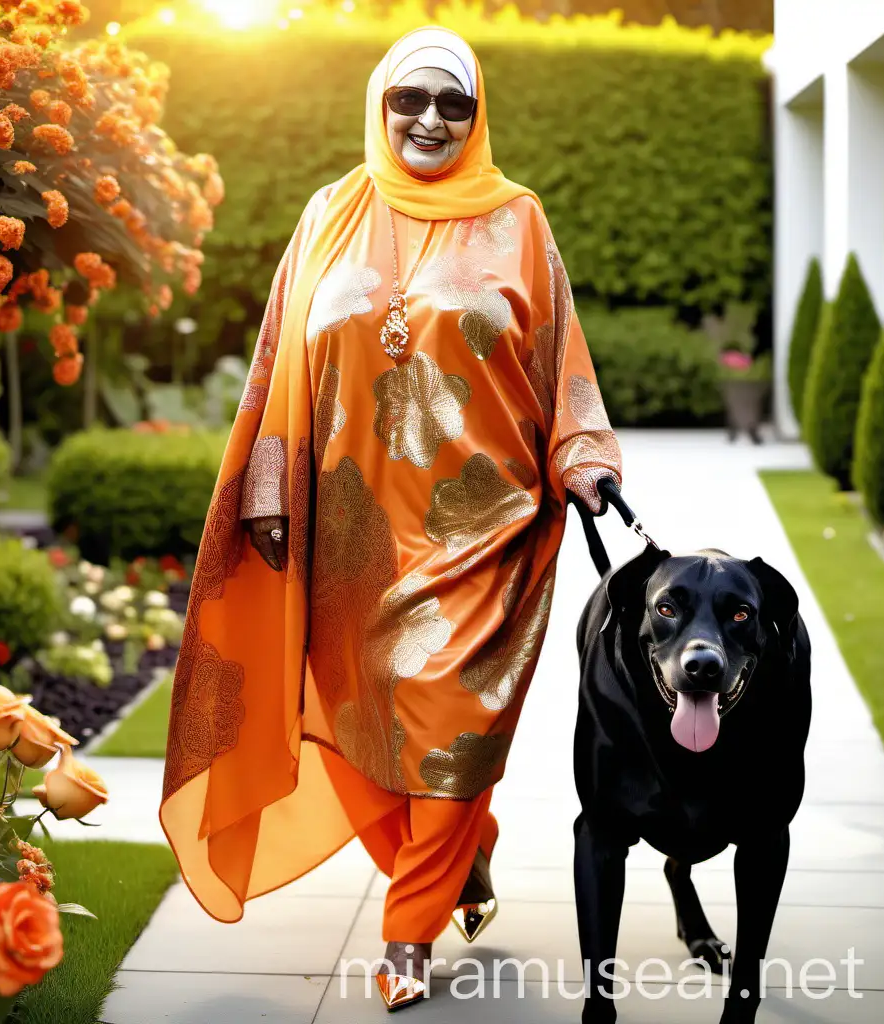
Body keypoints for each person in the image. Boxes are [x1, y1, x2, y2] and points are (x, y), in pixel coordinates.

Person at [159, 25, 622, 1012]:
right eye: (409, 99)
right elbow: (279, 355)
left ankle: (407, 938)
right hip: (350, 542)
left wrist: (583, 460)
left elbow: (563, 366)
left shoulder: (520, 222)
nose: (429, 119)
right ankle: (466, 855)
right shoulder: (329, 211)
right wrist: (267, 489)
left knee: (453, 738)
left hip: (486, 531)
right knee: (357, 736)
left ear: (477, 112)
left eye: (452, 102)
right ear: (378, 104)